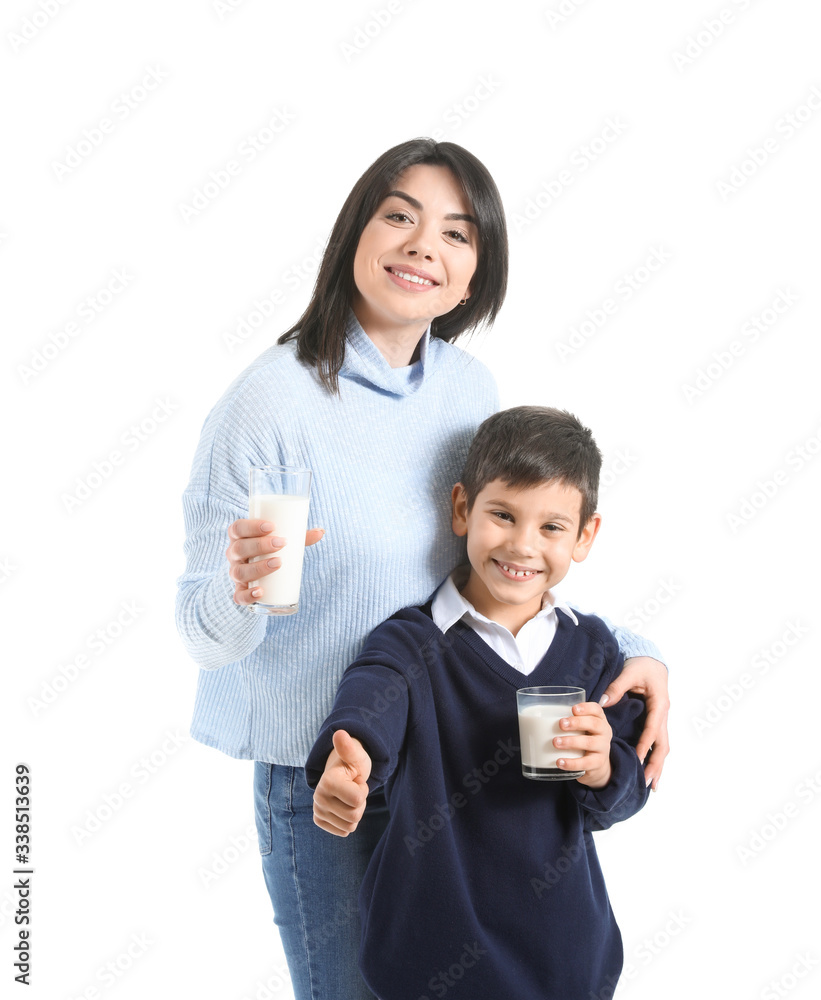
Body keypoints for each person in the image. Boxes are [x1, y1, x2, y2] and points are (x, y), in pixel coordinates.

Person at [175, 139, 670, 1000]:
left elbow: (505, 563)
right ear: (354, 234)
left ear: (474, 276)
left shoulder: (466, 392)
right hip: (326, 774)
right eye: (399, 216)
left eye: (456, 233)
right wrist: (238, 587)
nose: (422, 247)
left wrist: (635, 648)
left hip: (453, 762)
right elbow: (203, 635)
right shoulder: (268, 406)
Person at [307, 406, 651, 1000]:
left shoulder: (594, 651)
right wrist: (352, 757)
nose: (522, 544)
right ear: (463, 508)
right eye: (502, 514)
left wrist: (603, 767)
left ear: (585, 536)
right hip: (430, 964)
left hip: (566, 961)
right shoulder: (411, 642)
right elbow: (369, 702)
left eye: (551, 527)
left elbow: (621, 795)